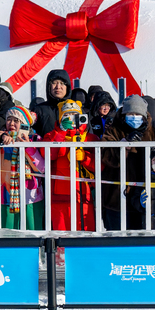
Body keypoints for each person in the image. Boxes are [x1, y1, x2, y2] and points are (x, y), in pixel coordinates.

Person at [101, 95, 155, 230]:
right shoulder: (113, 130)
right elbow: (106, 156)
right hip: (116, 198)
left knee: (140, 241)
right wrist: (123, 145)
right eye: (130, 114)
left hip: (142, 196)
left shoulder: (152, 132)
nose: (134, 117)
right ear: (124, 114)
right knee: (115, 240)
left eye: (137, 114)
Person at [0, 104, 46, 230]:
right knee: (7, 233)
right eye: (9, 119)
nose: (11, 123)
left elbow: (41, 168)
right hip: (5, 194)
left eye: (16, 120)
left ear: (25, 123)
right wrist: (1, 136)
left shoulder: (35, 139)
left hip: (31, 195)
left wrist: (27, 147)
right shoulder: (2, 138)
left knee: (32, 231)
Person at [44, 99, 97, 231]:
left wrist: (85, 158)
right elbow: (49, 155)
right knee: (61, 235)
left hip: (84, 196)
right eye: (67, 115)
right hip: (58, 197)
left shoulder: (90, 138)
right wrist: (61, 131)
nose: (72, 119)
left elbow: (101, 166)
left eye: (75, 114)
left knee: (86, 234)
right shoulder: (51, 136)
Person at [32, 69, 71, 138]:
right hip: (45, 148)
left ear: (67, 87)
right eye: (54, 83)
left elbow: (87, 133)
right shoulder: (39, 110)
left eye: (62, 83)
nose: (58, 87)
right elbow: (28, 130)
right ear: (49, 86)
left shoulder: (76, 109)